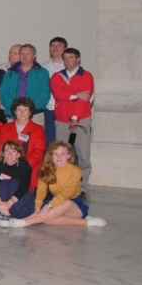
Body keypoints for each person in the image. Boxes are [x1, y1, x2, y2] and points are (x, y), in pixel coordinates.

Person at [0, 141, 106, 228]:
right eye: (55, 154)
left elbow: (66, 194)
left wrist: (48, 206)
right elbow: (41, 190)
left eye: (62, 154)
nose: (59, 157)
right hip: (55, 201)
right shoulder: (45, 169)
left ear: (68, 156)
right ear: (51, 156)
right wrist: (38, 208)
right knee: (46, 219)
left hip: (73, 204)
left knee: (66, 203)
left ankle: (26, 221)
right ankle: (87, 222)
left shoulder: (76, 171)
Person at [49, 47, 94, 192]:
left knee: (83, 154)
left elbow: (85, 99)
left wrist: (75, 118)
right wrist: (76, 94)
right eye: (65, 58)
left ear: (78, 59)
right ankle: (60, 185)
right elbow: (58, 93)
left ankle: (82, 187)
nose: (67, 61)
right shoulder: (57, 76)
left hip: (81, 120)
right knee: (59, 153)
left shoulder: (86, 76)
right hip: (62, 120)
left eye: (71, 58)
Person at [0, 97, 45, 190]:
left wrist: (22, 168)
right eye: (19, 109)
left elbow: (38, 153)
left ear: (30, 112)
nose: (22, 112)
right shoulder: (5, 128)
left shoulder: (38, 129)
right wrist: (9, 165)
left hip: (28, 170)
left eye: (25, 110)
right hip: (7, 168)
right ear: (15, 112)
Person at [0, 43, 51, 127]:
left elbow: (44, 94)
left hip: (35, 114)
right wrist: (15, 108)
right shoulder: (9, 73)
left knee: (35, 140)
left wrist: (29, 109)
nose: (24, 56)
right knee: (12, 140)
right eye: (22, 53)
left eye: (28, 53)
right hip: (13, 115)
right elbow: (4, 93)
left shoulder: (42, 72)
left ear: (34, 56)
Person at [43, 36, 68, 144]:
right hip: (47, 109)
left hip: (65, 110)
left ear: (65, 49)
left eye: (59, 45)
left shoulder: (70, 68)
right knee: (49, 141)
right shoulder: (42, 68)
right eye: (52, 45)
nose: (55, 48)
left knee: (66, 142)